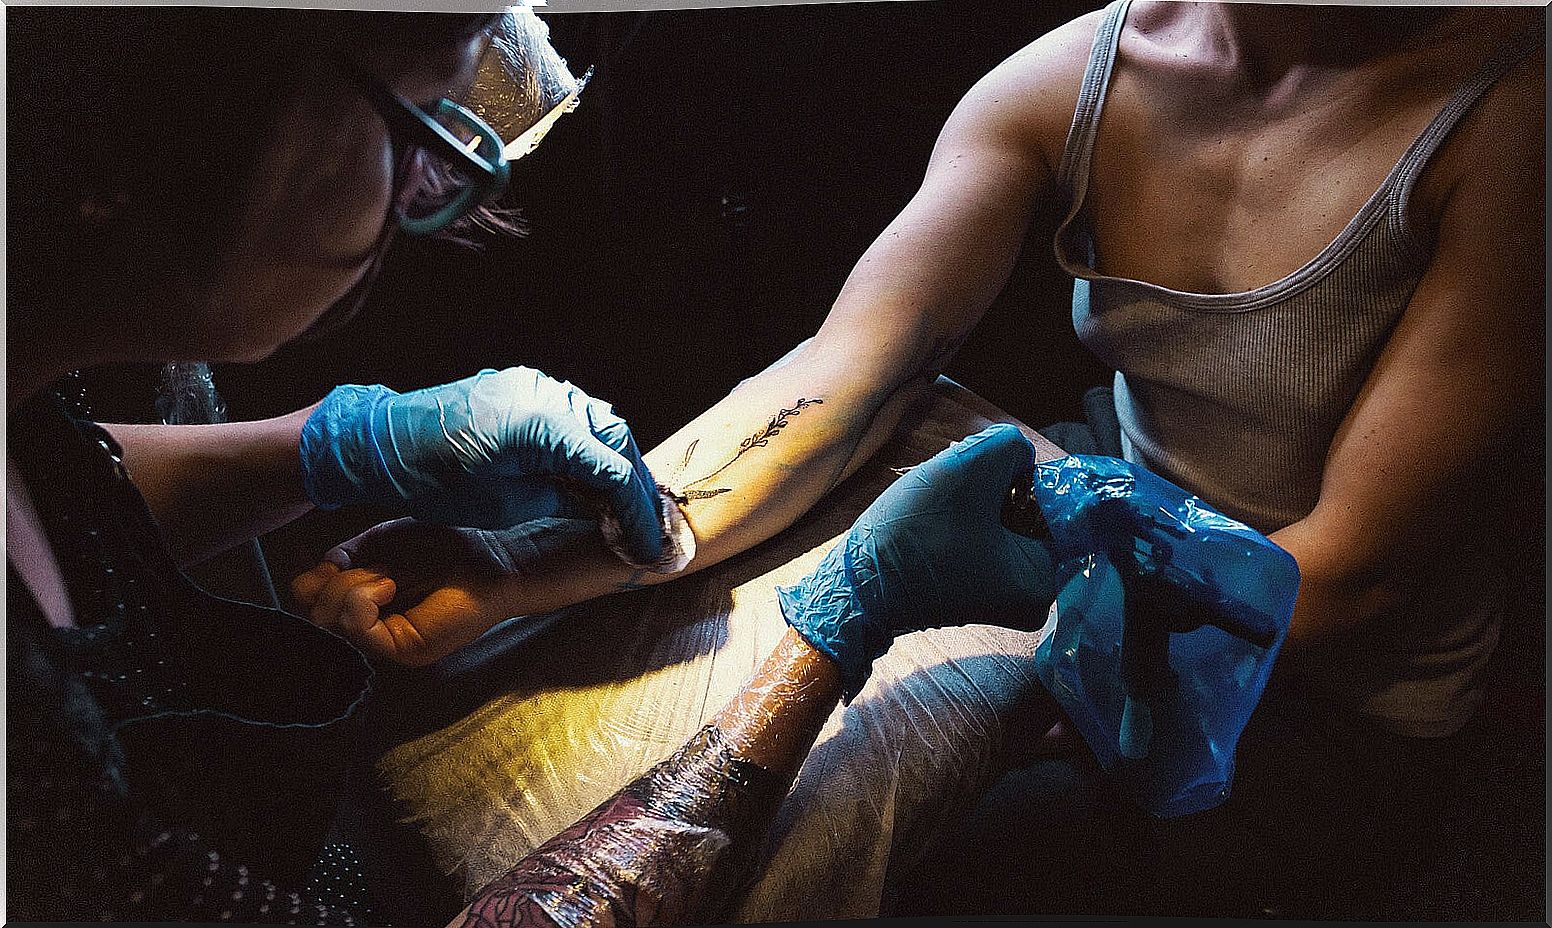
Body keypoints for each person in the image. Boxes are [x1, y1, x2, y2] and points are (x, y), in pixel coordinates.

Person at [299, 1, 1543, 918]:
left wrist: (1048, 632)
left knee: (911, 845)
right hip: (1107, 518)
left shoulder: (1502, 112)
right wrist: (529, 567)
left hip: (1329, 692)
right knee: (835, 483)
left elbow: (1354, 576)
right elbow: (838, 385)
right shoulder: (1080, 75)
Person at [7, 5, 1065, 925]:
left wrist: (335, 446)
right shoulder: (35, 773)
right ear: (181, 108)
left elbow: (52, 485)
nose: (440, 184)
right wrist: (834, 631)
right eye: (419, 114)